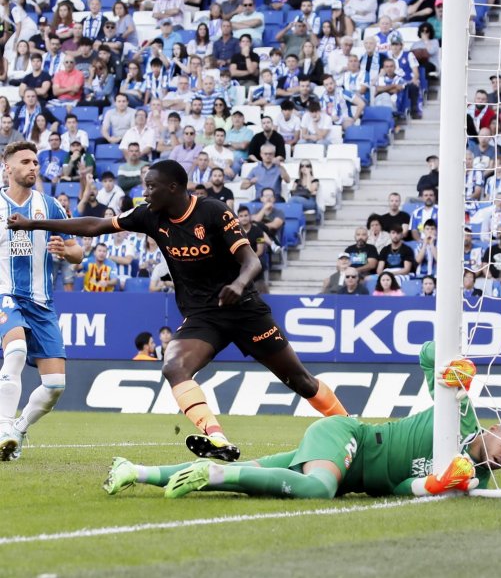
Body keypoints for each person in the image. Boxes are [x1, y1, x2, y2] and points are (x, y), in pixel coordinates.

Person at [8, 160, 348, 463]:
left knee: (300, 381)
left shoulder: (213, 212)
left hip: (244, 309)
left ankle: (352, 433)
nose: (145, 191)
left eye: (151, 186)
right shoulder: (148, 215)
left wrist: (239, 285)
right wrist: (34, 225)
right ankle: (217, 436)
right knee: (173, 366)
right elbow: (95, 226)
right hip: (203, 316)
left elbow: (251, 260)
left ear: (174, 187)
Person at [104, 342, 501, 499]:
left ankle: (134, 471)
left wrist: (437, 485)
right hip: (349, 438)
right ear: (495, 427)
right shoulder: (459, 415)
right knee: (317, 490)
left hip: (349, 467)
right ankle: (212, 472)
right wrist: (452, 370)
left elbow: (400, 487)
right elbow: (428, 353)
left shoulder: (476, 482)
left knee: (251, 475)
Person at [0, 142, 84, 460]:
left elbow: (78, 252)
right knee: (17, 349)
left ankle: (17, 433)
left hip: (42, 303)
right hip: (5, 294)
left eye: (36, 162)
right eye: (25, 162)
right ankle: (3, 426)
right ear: (7, 167)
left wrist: (67, 250)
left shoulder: (50, 206)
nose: (33, 167)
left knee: (54, 385)